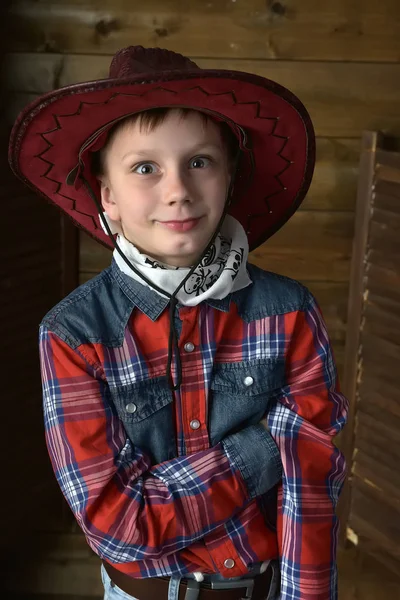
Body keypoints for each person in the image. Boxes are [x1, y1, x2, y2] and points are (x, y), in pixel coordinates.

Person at [9, 46, 348, 600]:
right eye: (146, 167)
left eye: (199, 162)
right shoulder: (72, 333)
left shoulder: (289, 311)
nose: (178, 190)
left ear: (229, 177)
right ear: (108, 197)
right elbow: (118, 524)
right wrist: (269, 445)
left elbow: (309, 495)